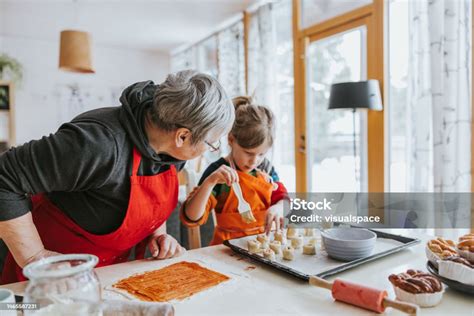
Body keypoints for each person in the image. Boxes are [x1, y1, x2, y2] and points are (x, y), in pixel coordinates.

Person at [0, 70, 235, 284]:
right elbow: (5, 176)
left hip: (106, 275)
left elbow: (152, 199)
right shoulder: (96, 144)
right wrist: (35, 257)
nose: (209, 149)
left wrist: (158, 235)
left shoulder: (173, 150)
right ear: (182, 136)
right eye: (211, 144)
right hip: (48, 277)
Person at [181, 96, 288, 245]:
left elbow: (283, 199)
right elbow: (192, 217)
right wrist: (209, 182)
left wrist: (278, 208)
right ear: (231, 140)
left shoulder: (266, 168)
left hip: (264, 245)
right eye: (248, 153)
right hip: (227, 249)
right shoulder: (217, 172)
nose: (254, 161)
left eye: (261, 154)